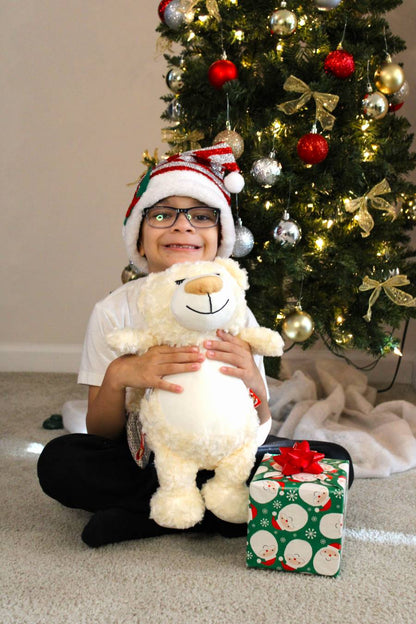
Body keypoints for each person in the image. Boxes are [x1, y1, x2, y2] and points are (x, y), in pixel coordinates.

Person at [38, 143, 353, 548]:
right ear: (138, 240)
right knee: (59, 462)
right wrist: (121, 375)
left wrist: (256, 384)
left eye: (201, 216)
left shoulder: (231, 308)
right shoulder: (113, 312)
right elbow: (101, 433)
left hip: (224, 454)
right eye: (163, 214)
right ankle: (210, 512)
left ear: (220, 238)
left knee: (334, 462)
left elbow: (256, 425)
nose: (183, 226)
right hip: (146, 458)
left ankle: (154, 514)